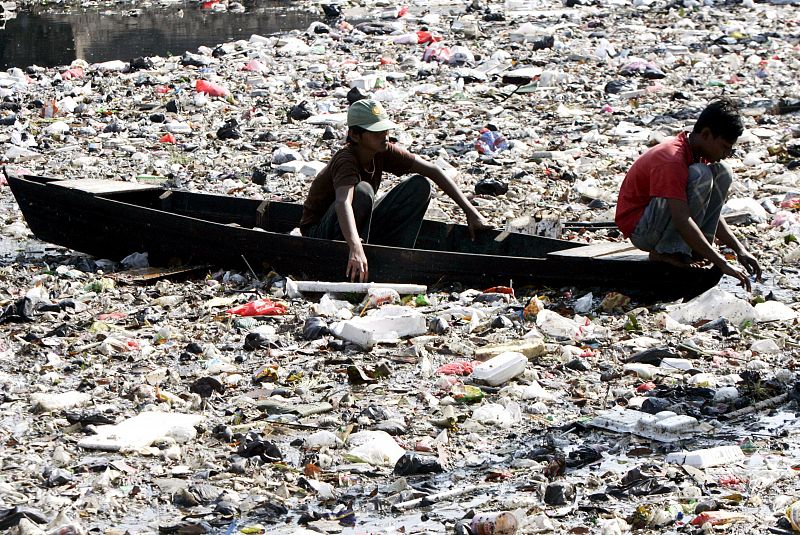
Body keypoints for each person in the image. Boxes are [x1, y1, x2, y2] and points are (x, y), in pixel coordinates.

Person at [300, 99, 492, 282]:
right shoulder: (346, 160)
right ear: (355, 135)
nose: (385, 135)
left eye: (385, 129)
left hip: (357, 226)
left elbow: (433, 171)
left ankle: (395, 258)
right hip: (320, 234)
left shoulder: (382, 150)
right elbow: (343, 202)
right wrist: (355, 247)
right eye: (376, 132)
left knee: (420, 185)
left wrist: (471, 213)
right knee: (363, 192)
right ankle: (354, 258)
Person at [615, 98, 761, 290]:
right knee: (701, 174)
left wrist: (740, 250)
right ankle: (668, 252)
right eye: (725, 147)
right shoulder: (672, 159)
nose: (726, 153)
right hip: (642, 230)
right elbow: (682, 218)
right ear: (707, 134)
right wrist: (721, 263)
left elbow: (713, 212)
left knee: (723, 171)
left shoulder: (695, 154)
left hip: (658, 222)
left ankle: (692, 251)